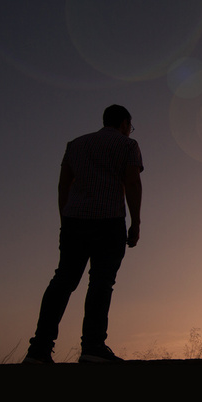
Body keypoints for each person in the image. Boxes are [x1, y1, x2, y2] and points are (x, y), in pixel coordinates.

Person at [23, 104, 143, 364]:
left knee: (63, 281)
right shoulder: (127, 146)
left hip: (74, 221)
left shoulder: (75, 145)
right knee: (101, 283)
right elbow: (132, 182)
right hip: (109, 221)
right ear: (124, 124)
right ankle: (92, 346)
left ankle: (39, 349)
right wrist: (136, 223)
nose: (129, 131)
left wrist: (64, 220)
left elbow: (63, 185)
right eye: (129, 127)